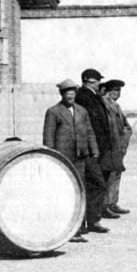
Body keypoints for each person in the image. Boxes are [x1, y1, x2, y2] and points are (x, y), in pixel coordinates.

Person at [43, 79, 97, 243]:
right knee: (64, 192)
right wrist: (51, 155)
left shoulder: (82, 111)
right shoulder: (53, 111)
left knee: (79, 191)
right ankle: (65, 228)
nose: (70, 95)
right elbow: (48, 136)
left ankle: (79, 227)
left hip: (80, 157)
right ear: (62, 94)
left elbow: (89, 131)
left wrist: (94, 149)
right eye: (67, 93)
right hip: (62, 158)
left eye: (73, 93)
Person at [73, 68, 112, 232]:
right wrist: (93, 147)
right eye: (97, 81)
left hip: (95, 148)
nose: (99, 84)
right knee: (95, 183)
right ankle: (88, 221)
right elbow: (88, 126)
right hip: (87, 150)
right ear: (88, 80)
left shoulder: (93, 97)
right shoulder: (83, 96)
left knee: (95, 184)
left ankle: (92, 220)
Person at [102, 79, 132, 217]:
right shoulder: (105, 104)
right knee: (109, 174)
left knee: (117, 173)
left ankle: (113, 202)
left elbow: (124, 124)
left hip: (120, 146)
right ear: (107, 90)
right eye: (114, 90)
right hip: (112, 145)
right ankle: (105, 204)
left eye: (119, 90)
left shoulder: (116, 105)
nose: (117, 93)